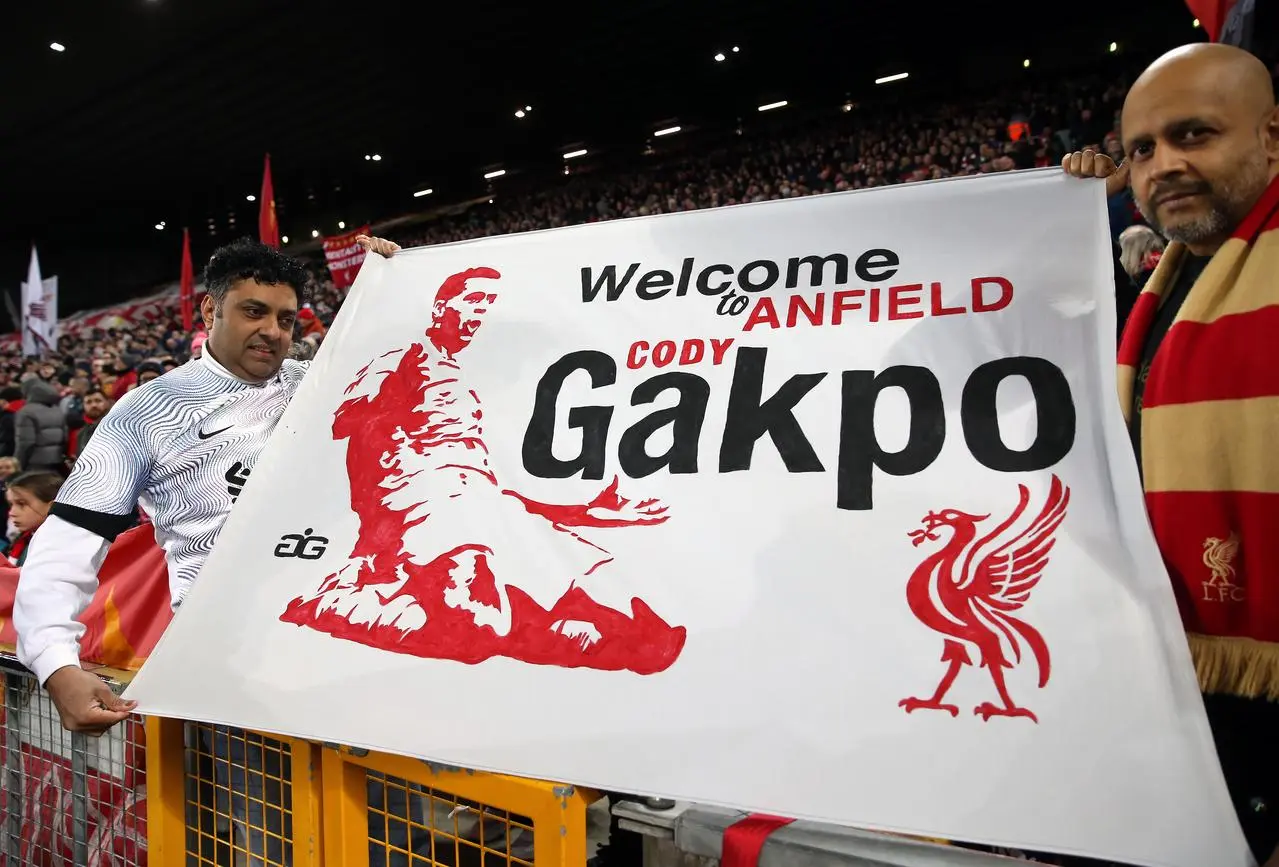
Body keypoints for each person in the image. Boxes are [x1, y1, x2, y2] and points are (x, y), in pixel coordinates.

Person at [12, 234, 414, 867]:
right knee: (275, 847)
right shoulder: (145, 413)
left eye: (285, 318)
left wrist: (403, 284)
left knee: (393, 840)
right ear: (209, 313)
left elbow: (424, 373)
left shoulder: (322, 383)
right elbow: (66, 543)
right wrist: (55, 663)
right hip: (237, 675)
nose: (274, 332)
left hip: (359, 649)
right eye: (253, 312)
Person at [1063, 42, 1279, 864]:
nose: (1163, 166)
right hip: (1167, 674)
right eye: (1143, 149)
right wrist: (1066, 217)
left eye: (1194, 135)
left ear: (1269, 136)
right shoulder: (1165, 277)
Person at [3, 471, 63, 565]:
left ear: (52, 506)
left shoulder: (61, 548)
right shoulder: (22, 540)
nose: (11, 513)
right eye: (11, 504)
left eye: (21, 504)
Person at [14, 376, 68, 474]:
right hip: (56, 463)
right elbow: (65, 438)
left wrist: (19, 464)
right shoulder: (57, 410)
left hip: (34, 466)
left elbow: (26, 443)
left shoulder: (26, 412)